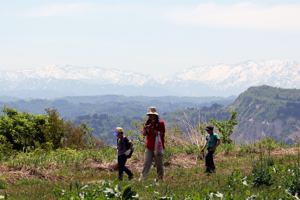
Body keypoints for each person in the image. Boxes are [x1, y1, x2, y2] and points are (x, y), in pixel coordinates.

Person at [139, 106, 166, 181]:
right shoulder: (147, 123)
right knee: (146, 163)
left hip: (158, 147)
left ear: (155, 115)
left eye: (152, 114)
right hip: (149, 147)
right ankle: (142, 179)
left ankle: (160, 179)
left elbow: (162, 133)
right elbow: (144, 134)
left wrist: (153, 130)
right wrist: (145, 129)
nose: (151, 116)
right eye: (150, 115)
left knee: (159, 165)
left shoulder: (161, 123)